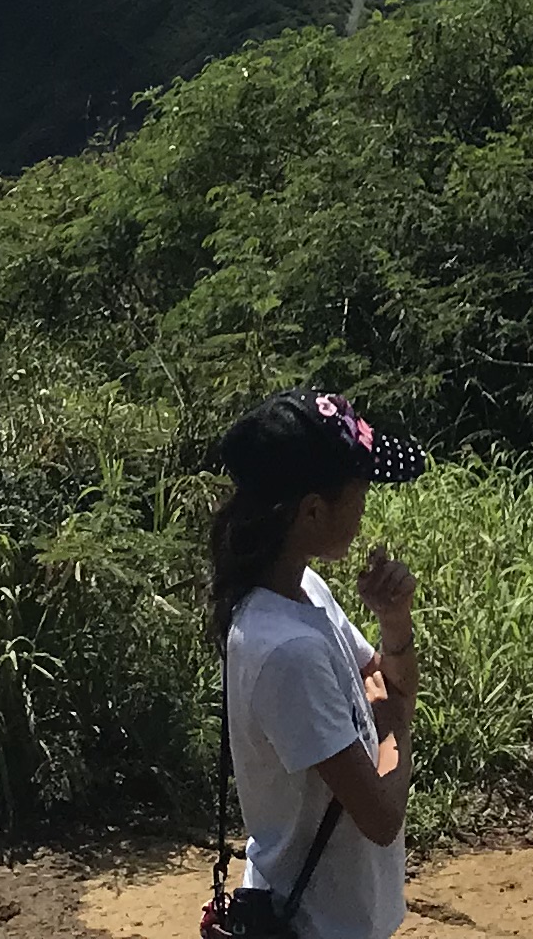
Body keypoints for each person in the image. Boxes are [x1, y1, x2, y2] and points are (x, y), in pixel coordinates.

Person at [208, 390, 431, 939]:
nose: (365, 507)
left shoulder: (304, 592)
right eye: (359, 493)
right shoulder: (289, 651)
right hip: (318, 925)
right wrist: (395, 723)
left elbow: (387, 677)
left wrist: (394, 622)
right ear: (311, 511)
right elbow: (381, 816)